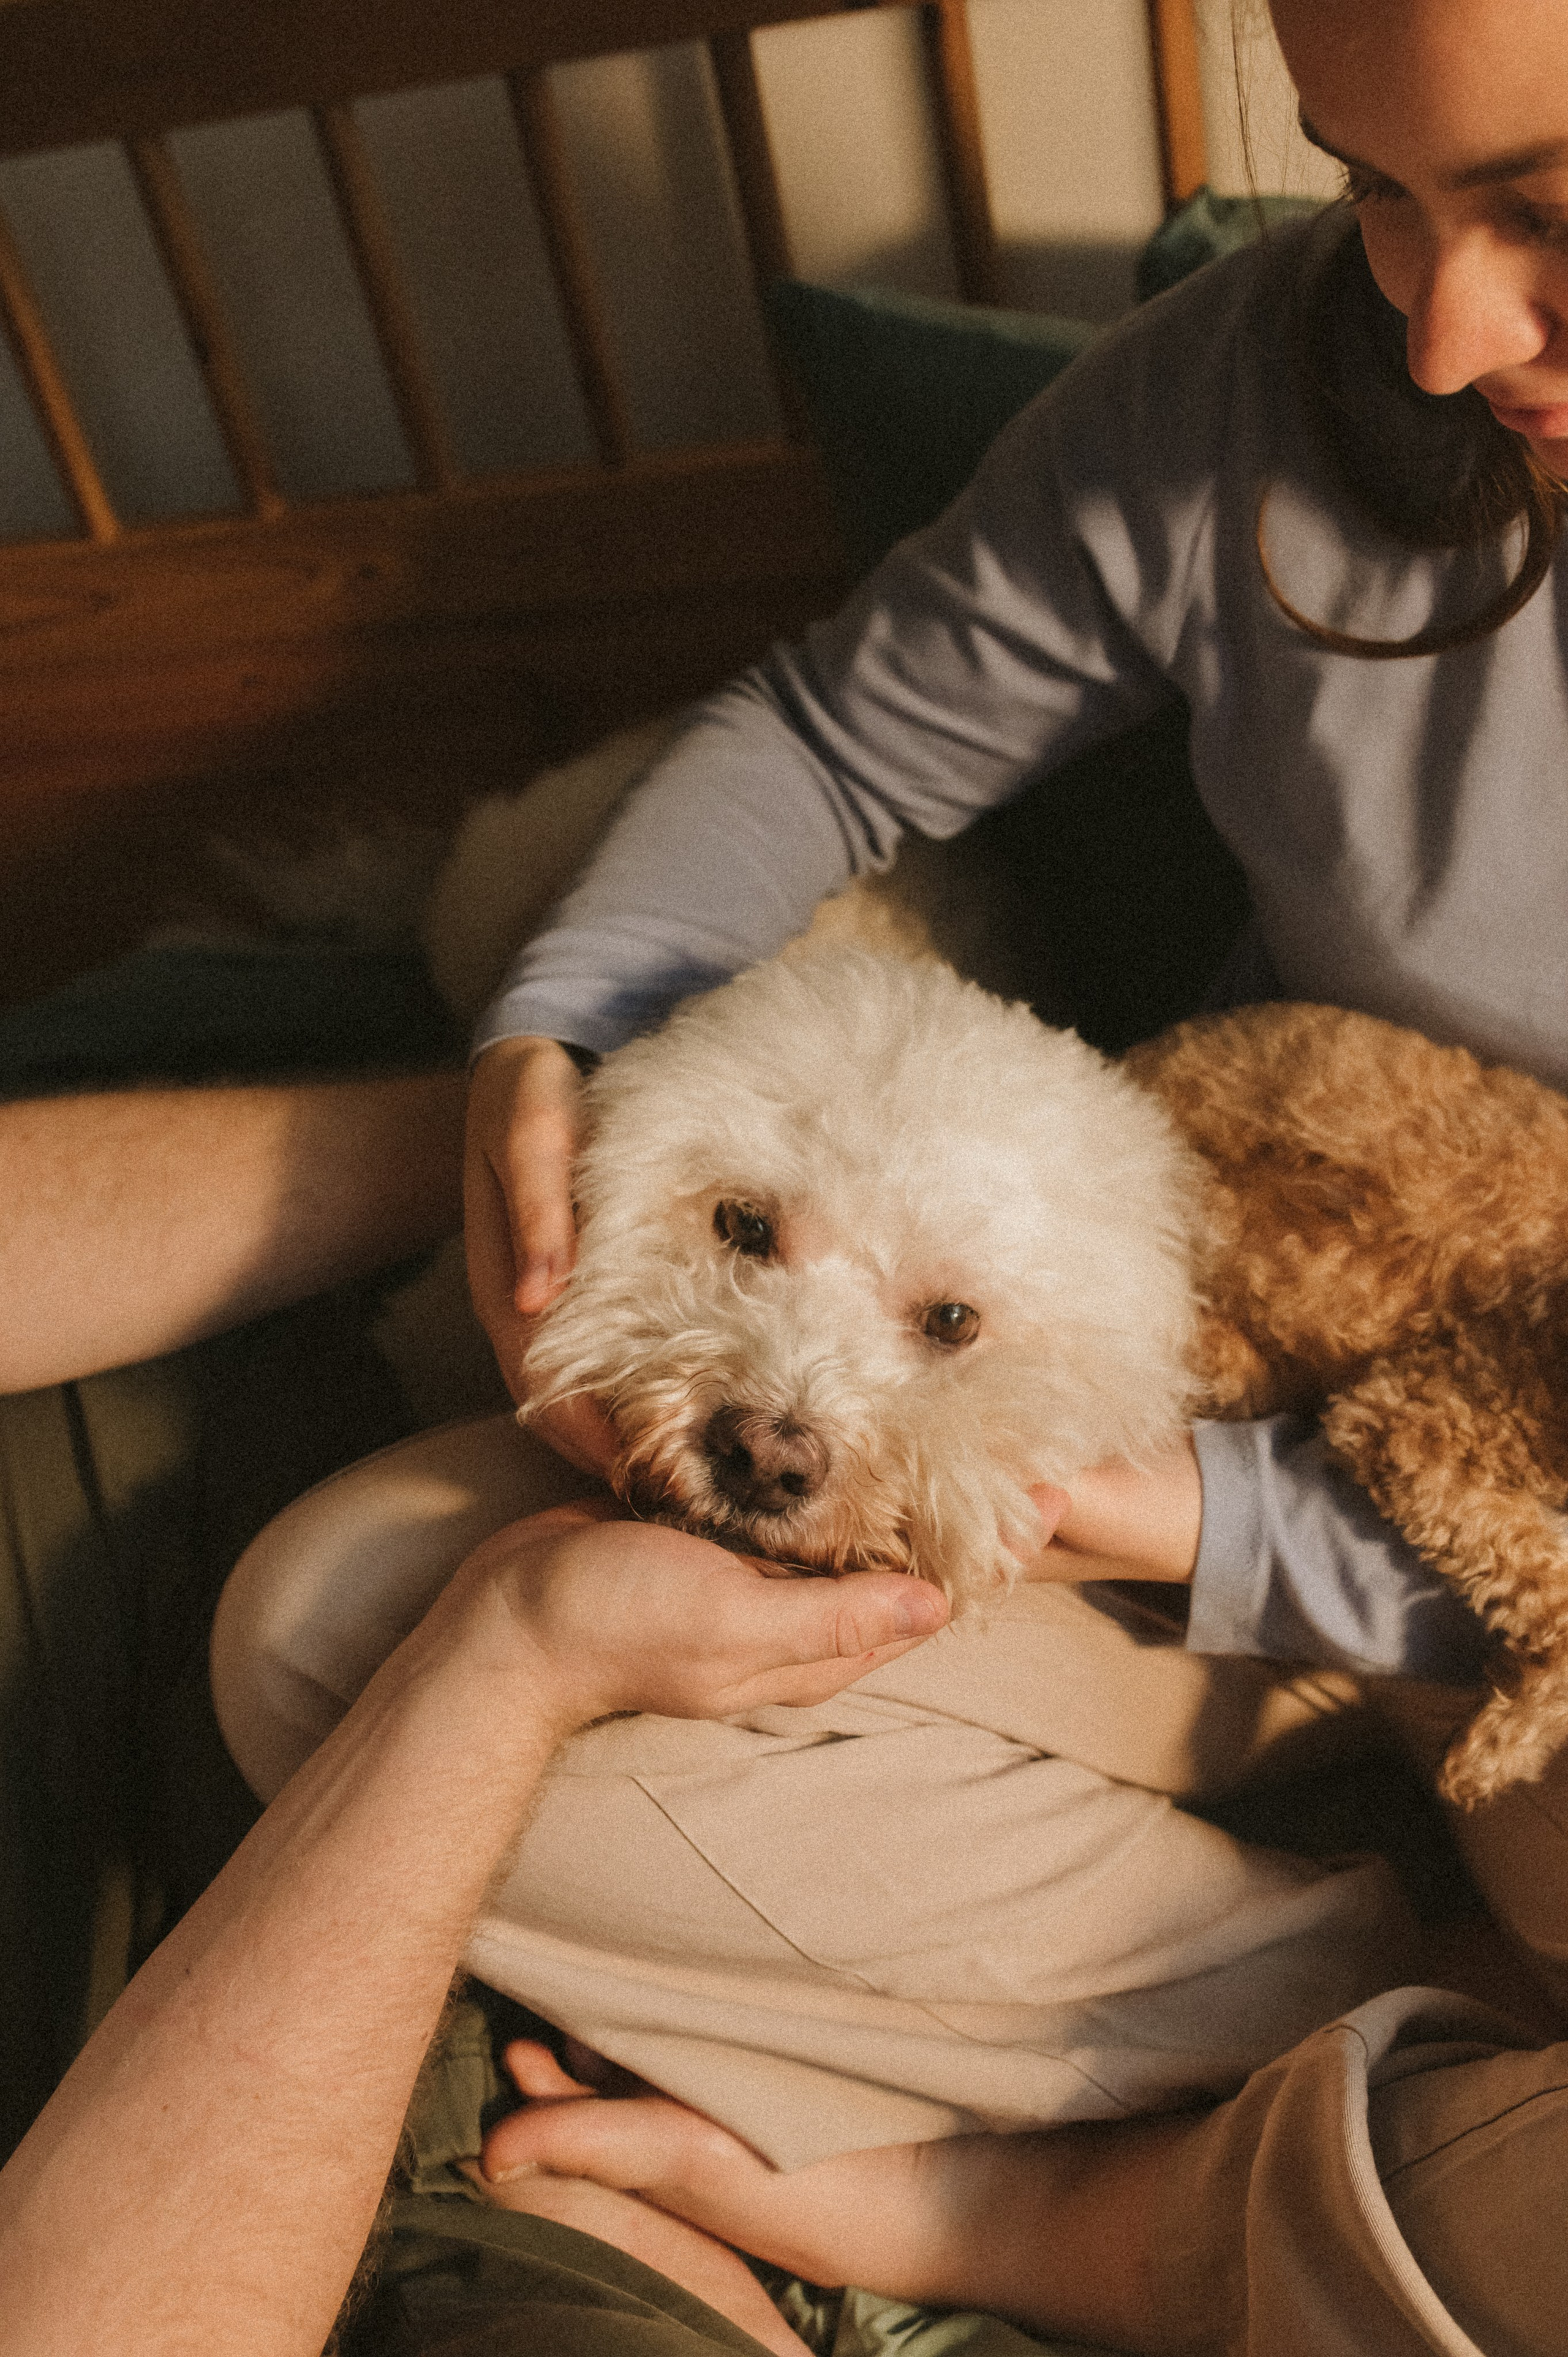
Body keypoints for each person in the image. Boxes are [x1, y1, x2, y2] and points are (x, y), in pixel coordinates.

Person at [441, 0, 1568, 2344]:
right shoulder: (1263, 390)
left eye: (1552, 206)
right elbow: (841, 733)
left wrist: (1237, 1530)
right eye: (1372, 183)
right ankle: (1413, 2025)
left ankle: (1060, 2214)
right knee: (367, 1650)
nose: (1443, 332)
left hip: (1466, 1587)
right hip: (1201, 1444)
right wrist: (580, 1019)